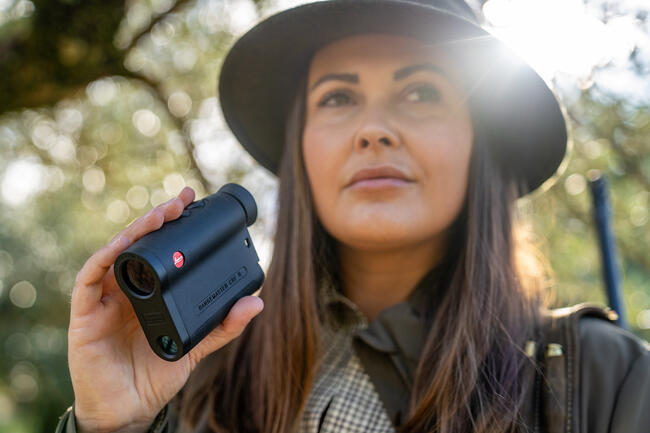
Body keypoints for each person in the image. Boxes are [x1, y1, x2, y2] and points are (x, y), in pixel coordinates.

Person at [56, 1, 650, 432]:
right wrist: (115, 424)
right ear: (301, 149)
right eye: (337, 98)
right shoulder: (200, 376)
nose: (373, 130)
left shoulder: (606, 380)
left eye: (420, 92)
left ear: (480, 144)